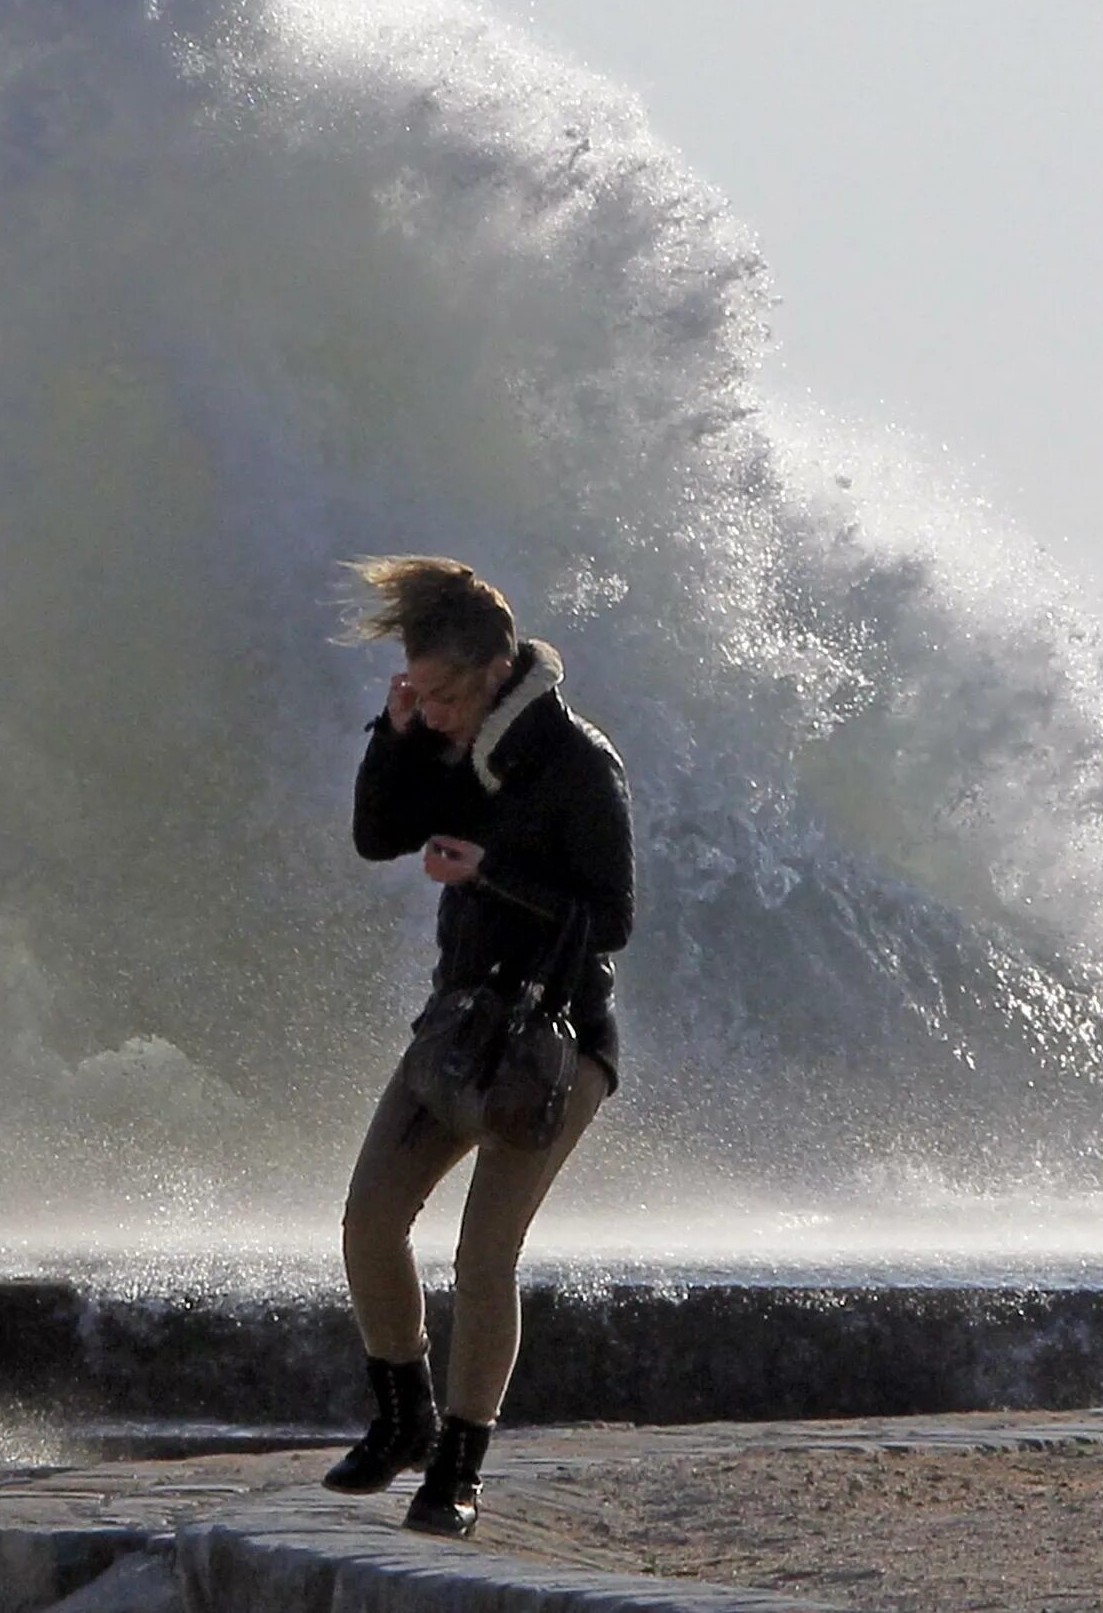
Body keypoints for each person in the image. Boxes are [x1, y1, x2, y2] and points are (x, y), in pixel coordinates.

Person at [321, 556, 635, 1537]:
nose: (442, 709)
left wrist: (490, 872)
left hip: (556, 1045)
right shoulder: (445, 747)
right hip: (459, 1027)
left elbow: (613, 918)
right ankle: (403, 1414)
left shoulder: (581, 762)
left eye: (450, 693)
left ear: (501, 669)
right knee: (368, 1218)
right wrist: (395, 733)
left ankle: (457, 1466)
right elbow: (379, 836)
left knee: (483, 1253)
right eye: (424, 693)